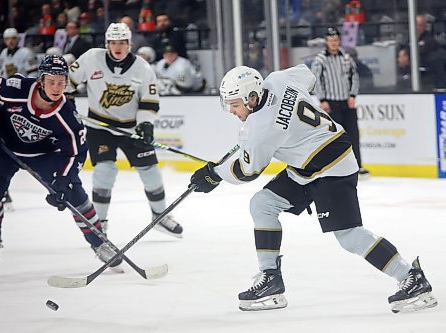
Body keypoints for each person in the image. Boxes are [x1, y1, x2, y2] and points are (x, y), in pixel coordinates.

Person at [188, 64, 438, 313]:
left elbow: (246, 171)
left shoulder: (261, 130)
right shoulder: (277, 80)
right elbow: (307, 75)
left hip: (333, 166)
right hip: (307, 167)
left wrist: (213, 174)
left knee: (349, 236)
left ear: (252, 97)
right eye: (228, 104)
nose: (231, 110)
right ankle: (271, 279)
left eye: (235, 104)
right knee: (262, 204)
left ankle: (411, 277)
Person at [0, 55, 123, 273]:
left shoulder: (68, 116)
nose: (56, 87)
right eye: (51, 81)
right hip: (4, 149)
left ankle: (100, 243)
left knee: (74, 193)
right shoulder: (16, 88)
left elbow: (76, 153)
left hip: (44, 155)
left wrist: (64, 180)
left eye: (61, 81)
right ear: (41, 80)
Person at [68, 23, 183, 238]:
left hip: (131, 128)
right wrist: (68, 103)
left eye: (122, 42)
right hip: (99, 126)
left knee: (151, 173)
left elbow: (149, 102)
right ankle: (98, 224)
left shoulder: (143, 68)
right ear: (107, 44)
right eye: (113, 42)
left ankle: (160, 216)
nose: (117, 47)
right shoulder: (92, 58)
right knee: (105, 172)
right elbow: (68, 82)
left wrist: (145, 125)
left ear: (129, 44)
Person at [311, 27, 368, 176]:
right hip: (330, 103)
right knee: (335, 137)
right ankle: (336, 167)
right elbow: (316, 80)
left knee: (353, 135)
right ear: (326, 42)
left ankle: (357, 165)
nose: (334, 43)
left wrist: (353, 95)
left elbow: (354, 76)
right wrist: (322, 99)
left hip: (347, 102)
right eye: (331, 40)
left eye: (336, 40)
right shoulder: (320, 59)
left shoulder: (346, 57)